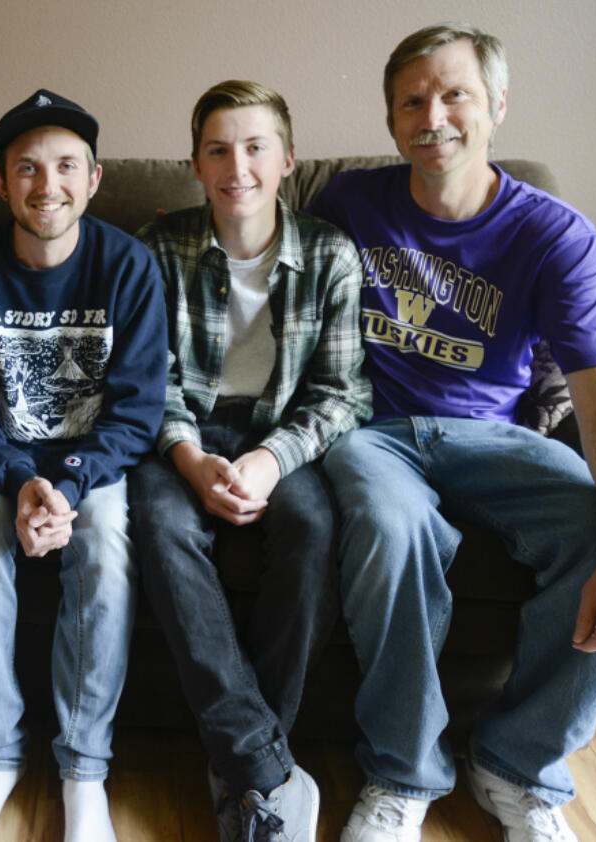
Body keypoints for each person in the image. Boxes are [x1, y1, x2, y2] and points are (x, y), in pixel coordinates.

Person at [305, 23, 596, 842]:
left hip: (492, 438)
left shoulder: (554, 235)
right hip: (375, 430)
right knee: (391, 528)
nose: (433, 115)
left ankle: (518, 769)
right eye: (412, 101)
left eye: (454, 93)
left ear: (496, 106)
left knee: (595, 528)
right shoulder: (348, 205)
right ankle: (401, 773)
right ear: (392, 120)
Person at [130, 80, 372, 841]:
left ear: (288, 161)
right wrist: (191, 459)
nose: (238, 166)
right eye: (218, 150)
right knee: (160, 528)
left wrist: (271, 460)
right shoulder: (157, 248)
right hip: (185, 437)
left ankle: (242, 763)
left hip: (282, 438)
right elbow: (146, 379)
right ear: (196, 166)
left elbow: (341, 394)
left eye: (256, 147)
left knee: (312, 531)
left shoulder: (331, 255)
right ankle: (263, 771)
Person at [0, 89, 167, 842]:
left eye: (66, 166)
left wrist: (64, 485)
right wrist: (20, 480)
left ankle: (82, 769)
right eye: (26, 168)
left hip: (90, 470)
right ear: (0, 184)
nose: (47, 184)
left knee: (107, 547)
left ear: (94, 179)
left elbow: (136, 412)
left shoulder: (129, 266)